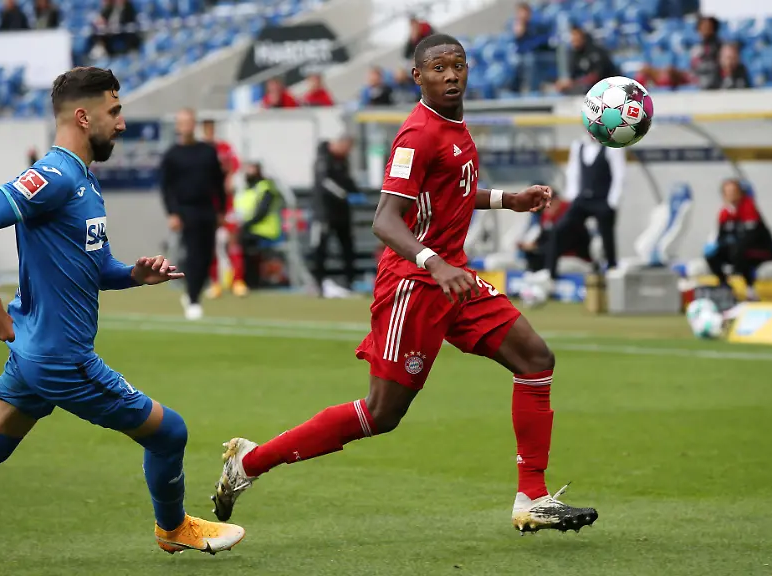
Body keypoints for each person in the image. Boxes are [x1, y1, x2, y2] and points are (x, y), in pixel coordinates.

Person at [211, 34, 598, 536]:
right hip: (414, 285)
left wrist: (509, 199)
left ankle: (532, 497)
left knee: (535, 359)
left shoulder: (454, 126)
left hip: (452, 278)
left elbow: (452, 190)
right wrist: (435, 264)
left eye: (458, 65)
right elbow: (385, 219)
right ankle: (249, 462)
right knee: (382, 413)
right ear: (418, 76)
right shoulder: (417, 134)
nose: (451, 74)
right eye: (438, 67)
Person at [0, 67, 244, 554]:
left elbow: (96, 268)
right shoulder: (55, 175)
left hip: (35, 351)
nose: (122, 123)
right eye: (114, 111)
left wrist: (134, 275)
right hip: (61, 359)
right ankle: (173, 528)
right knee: (169, 432)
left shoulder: (83, 181)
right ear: (82, 117)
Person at [160, 108, 226, 320]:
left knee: (207, 256)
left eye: (189, 122)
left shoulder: (208, 152)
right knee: (193, 254)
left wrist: (222, 210)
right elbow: (166, 187)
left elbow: (218, 183)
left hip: (207, 209)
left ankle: (193, 293)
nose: (186, 126)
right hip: (185, 210)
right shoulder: (172, 155)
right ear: (178, 126)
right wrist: (172, 213)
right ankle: (193, 298)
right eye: (182, 122)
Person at [541, 133, 626, 280]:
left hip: (603, 199)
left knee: (607, 235)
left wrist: (612, 202)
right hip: (582, 199)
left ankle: (611, 268)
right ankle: (550, 272)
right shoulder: (579, 145)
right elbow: (573, 172)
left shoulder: (612, 146)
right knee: (559, 229)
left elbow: (619, 174)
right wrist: (572, 197)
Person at [704, 179, 772, 301]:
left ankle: (750, 288)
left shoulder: (749, 207)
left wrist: (733, 244)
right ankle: (725, 286)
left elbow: (752, 236)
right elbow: (720, 236)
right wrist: (717, 245)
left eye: (733, 191)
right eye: (727, 192)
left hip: (759, 250)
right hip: (735, 251)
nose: (731, 195)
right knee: (712, 255)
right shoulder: (725, 212)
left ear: (740, 193)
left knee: (739, 250)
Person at [200, 118, 246, 298]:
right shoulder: (199, 150)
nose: (209, 131)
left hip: (227, 203)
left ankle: (238, 282)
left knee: (233, 242)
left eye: (211, 128)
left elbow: (235, 165)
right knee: (211, 244)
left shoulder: (224, 148)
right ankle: (215, 283)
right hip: (208, 203)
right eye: (206, 128)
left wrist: (230, 179)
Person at [311, 135, 358, 297]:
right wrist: (344, 195)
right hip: (324, 213)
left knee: (347, 249)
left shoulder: (343, 161)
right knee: (320, 249)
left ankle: (349, 283)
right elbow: (325, 183)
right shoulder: (324, 160)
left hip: (342, 214)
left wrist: (355, 191)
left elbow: (347, 180)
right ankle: (318, 284)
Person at [233, 162, 282, 289]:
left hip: (265, 230)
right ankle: (237, 279)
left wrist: (245, 225)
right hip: (248, 229)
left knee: (245, 243)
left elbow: (262, 212)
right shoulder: (244, 190)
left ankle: (250, 280)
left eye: (251, 169)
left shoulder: (265, 187)